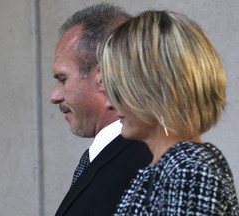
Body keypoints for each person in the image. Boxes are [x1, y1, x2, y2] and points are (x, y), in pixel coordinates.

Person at [100, 10, 239, 215]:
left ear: (155, 89)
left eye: (119, 89)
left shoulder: (188, 171)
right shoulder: (170, 167)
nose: (110, 104)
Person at [50, 3, 153, 216]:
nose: (54, 96)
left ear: (103, 77)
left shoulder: (143, 166)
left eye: (63, 79)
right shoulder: (111, 158)